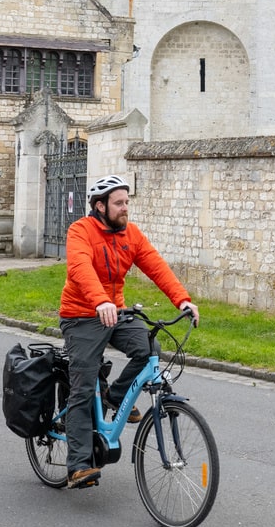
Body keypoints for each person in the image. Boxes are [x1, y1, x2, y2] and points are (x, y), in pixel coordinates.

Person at [59, 175, 199, 490]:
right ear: (100, 206)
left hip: (115, 312)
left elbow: (156, 266)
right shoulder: (80, 231)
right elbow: (79, 268)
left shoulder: (130, 234)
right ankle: (79, 464)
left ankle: (116, 395)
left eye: (127, 202)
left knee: (149, 349)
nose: (125, 209)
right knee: (81, 388)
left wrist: (183, 300)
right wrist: (99, 301)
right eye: (119, 203)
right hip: (82, 315)